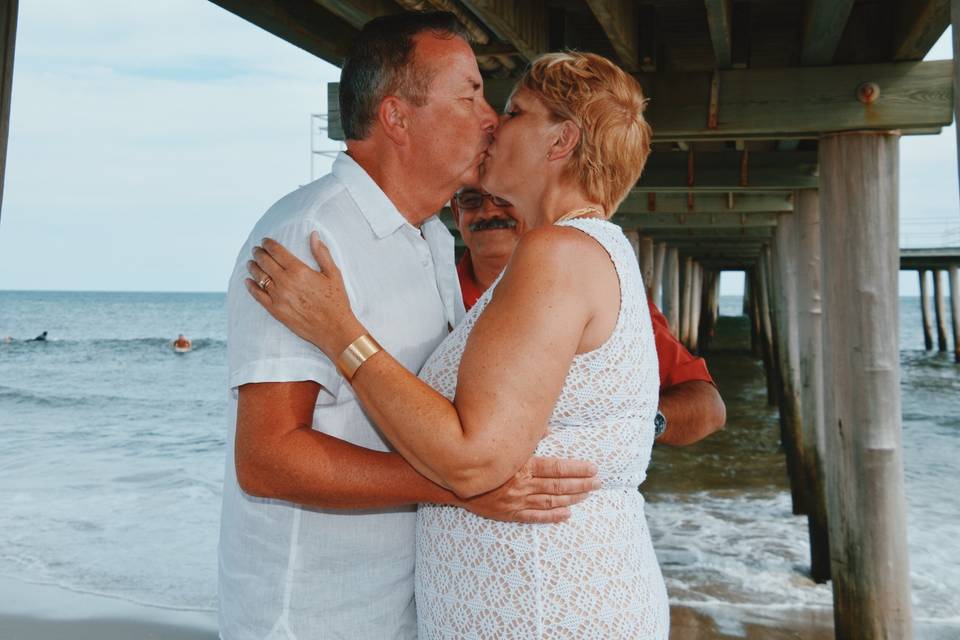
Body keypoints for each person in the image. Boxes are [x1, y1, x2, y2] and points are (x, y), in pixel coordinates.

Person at [249, 51, 670, 638]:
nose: (495, 122)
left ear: (561, 141)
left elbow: (474, 459)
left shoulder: (557, 253)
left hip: (544, 607)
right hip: (542, 600)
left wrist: (337, 330)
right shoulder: (581, 250)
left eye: (517, 110)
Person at [451, 187, 726, 445]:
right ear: (455, 213)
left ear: (533, 204)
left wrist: (635, 426)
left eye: (502, 198)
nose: (488, 213)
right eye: (471, 200)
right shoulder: (431, 293)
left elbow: (709, 407)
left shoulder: (606, 295)